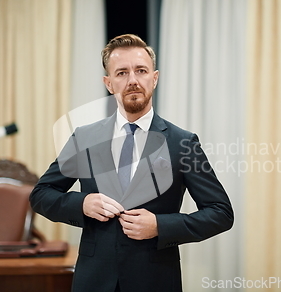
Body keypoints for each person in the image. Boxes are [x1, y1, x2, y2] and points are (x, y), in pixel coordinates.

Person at [30, 34, 233, 292]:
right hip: (93, 281)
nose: (133, 80)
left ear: (154, 78)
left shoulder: (183, 142)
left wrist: (160, 226)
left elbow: (221, 212)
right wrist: (82, 203)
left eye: (141, 71)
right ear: (109, 83)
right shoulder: (84, 137)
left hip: (156, 280)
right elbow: (41, 194)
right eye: (122, 73)